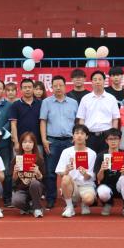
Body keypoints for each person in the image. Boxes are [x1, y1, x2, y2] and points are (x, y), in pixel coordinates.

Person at [40, 75, 77, 209]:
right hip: (52, 141)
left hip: (69, 141)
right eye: (55, 86)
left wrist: (76, 137)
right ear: (52, 87)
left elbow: (77, 121)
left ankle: (73, 197)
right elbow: (43, 121)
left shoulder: (73, 102)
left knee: (72, 170)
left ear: (65, 86)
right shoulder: (46, 102)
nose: (58, 88)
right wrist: (44, 139)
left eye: (60, 85)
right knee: (51, 172)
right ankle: (51, 198)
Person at [57, 124, 98, 218]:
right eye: (77, 133)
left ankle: (84, 203)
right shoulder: (66, 152)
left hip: (86, 185)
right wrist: (66, 171)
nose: (79, 136)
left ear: (86, 136)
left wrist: (85, 174)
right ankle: (70, 207)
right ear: (73, 136)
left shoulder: (92, 153)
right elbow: (60, 173)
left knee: (89, 199)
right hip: (72, 186)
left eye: (82, 133)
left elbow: (91, 176)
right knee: (66, 178)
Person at [75, 71, 120, 156]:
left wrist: (113, 136)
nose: (97, 82)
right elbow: (81, 119)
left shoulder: (111, 98)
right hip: (90, 136)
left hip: (106, 136)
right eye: (95, 79)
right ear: (91, 82)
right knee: (89, 159)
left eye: (100, 79)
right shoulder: (85, 99)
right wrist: (83, 135)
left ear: (104, 81)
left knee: (106, 160)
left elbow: (115, 119)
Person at [94, 128, 124, 216]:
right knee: (102, 192)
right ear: (106, 141)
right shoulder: (101, 156)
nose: (113, 141)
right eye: (110, 139)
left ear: (120, 140)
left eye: (116, 138)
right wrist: (101, 170)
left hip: (120, 185)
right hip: (106, 184)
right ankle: (108, 203)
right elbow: (99, 179)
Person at [12, 132, 45, 217]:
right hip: (22, 189)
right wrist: (15, 172)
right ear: (21, 144)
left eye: (30, 142)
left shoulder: (39, 159)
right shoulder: (17, 159)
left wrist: (38, 172)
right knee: (16, 201)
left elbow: (42, 178)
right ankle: (29, 207)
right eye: (25, 142)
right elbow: (14, 180)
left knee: (34, 182)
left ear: (34, 144)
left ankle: (37, 208)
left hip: (36, 188)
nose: (27, 144)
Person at [9, 78, 43, 145]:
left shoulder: (41, 103)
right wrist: (16, 142)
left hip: (38, 142)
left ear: (33, 89)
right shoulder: (15, 105)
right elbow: (13, 125)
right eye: (25, 87)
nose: (27, 89)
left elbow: (43, 123)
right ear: (21, 90)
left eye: (29, 87)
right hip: (21, 142)